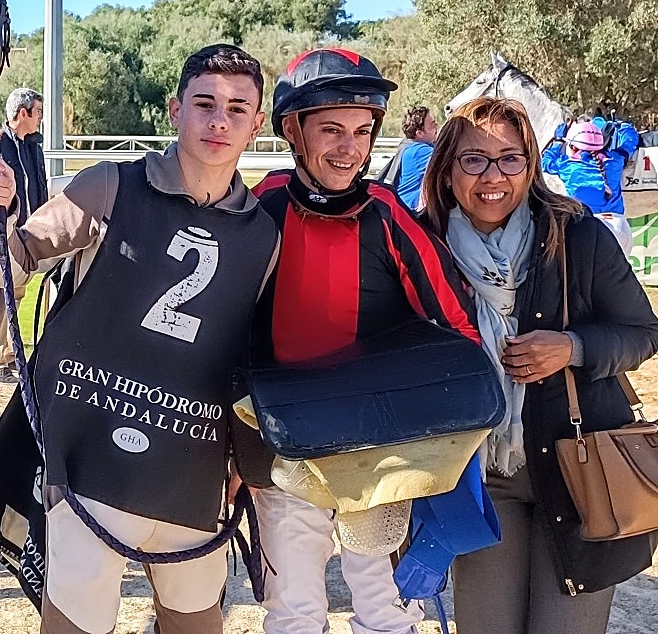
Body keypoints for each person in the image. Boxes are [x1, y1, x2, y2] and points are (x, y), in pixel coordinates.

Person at [0, 44, 280, 634]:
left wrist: (245, 453)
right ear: (174, 110)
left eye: (238, 109)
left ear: (257, 124)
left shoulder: (263, 235)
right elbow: (6, 267)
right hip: (92, 464)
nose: (220, 120)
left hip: (192, 472)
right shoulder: (109, 187)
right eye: (205, 103)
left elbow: (247, 356)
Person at [250, 48, 479, 634]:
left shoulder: (385, 215)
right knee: (294, 609)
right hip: (283, 445)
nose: (349, 147)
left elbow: (456, 326)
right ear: (292, 131)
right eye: (331, 129)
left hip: (380, 452)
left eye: (361, 130)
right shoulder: (261, 208)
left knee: (385, 604)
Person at [420, 97, 658, 634]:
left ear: (531, 165)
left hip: (580, 470)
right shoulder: (422, 246)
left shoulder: (577, 237)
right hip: (477, 475)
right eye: (474, 159)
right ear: (448, 167)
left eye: (510, 158)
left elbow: (643, 332)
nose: (493, 176)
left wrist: (571, 347)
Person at [0, 87, 49, 384]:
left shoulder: (34, 145)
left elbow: (40, 185)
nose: (40, 119)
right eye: (37, 112)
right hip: (6, 232)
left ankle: (11, 354)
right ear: (22, 114)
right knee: (5, 293)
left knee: (19, 293)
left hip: (30, 231)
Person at [541, 116, 640, 255]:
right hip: (622, 228)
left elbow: (544, 162)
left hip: (594, 230)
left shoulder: (566, 165)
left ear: (573, 147)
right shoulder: (615, 159)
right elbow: (631, 140)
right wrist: (621, 125)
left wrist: (558, 141)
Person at [392, 105, 438, 210]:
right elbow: (451, 162)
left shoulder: (409, 146)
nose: (437, 127)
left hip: (406, 210)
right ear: (420, 133)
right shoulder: (419, 151)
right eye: (432, 125)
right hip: (411, 213)